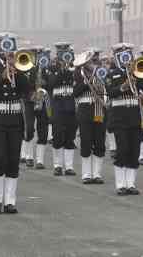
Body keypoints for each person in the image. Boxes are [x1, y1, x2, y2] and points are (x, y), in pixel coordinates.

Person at [0, 33, 30, 214]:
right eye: (6, 47)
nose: (9, 51)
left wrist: (17, 71)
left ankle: (10, 201)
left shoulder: (19, 65)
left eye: (11, 48)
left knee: (13, 160)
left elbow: (26, 89)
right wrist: (3, 76)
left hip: (14, 119)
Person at [105, 43, 143, 196]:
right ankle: (120, 184)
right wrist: (123, 87)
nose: (126, 57)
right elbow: (110, 93)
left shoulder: (137, 72)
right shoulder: (112, 74)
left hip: (134, 116)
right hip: (119, 117)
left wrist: (139, 77)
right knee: (122, 149)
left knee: (134, 151)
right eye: (122, 54)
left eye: (128, 54)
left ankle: (130, 184)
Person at [73, 50, 107, 185]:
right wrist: (87, 83)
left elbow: (106, 89)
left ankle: (97, 174)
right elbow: (75, 93)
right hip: (85, 109)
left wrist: (99, 81)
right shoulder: (78, 74)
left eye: (92, 61)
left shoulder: (100, 72)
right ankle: (87, 174)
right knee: (86, 141)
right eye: (88, 61)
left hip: (99, 109)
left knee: (99, 141)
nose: (90, 63)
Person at [47, 42, 77, 176]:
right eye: (61, 52)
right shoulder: (52, 67)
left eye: (66, 51)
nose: (63, 54)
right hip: (58, 104)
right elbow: (51, 83)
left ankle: (69, 166)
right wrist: (62, 70)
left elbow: (78, 82)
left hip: (71, 103)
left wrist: (71, 69)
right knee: (58, 134)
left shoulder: (76, 67)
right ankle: (58, 165)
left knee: (70, 135)